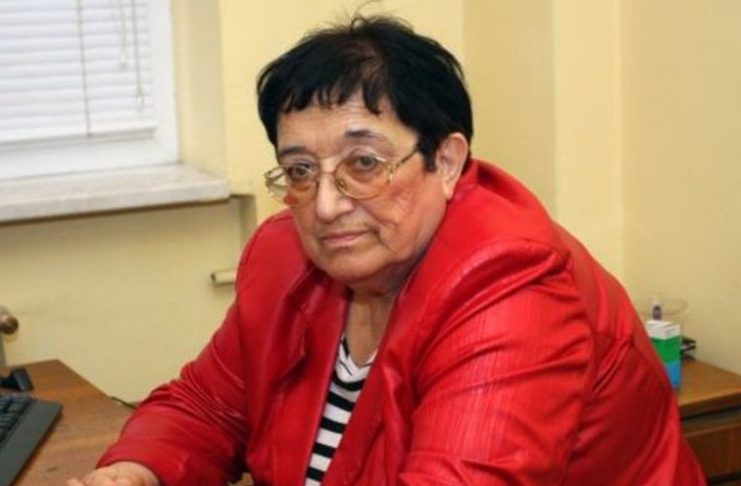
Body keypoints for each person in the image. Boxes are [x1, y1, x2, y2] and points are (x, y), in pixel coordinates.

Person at [69, 15, 705, 486]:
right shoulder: (283, 254)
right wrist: (134, 472)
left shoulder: (513, 284)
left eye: (364, 163)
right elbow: (208, 406)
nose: (325, 205)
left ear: (445, 162)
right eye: (300, 171)